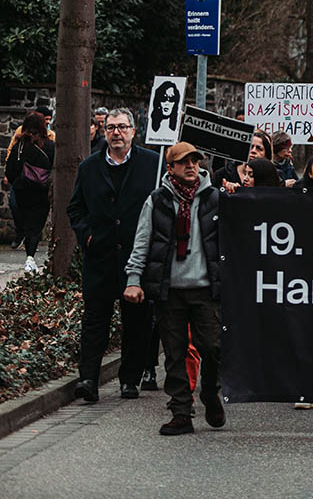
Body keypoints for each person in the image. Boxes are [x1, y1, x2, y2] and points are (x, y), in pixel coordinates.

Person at [121, 142, 224, 436]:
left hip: (206, 289)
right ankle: (181, 411)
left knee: (213, 347)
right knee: (175, 353)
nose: (191, 166)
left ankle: (210, 393)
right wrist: (133, 280)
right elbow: (142, 242)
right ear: (171, 168)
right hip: (170, 290)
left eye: (195, 161)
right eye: (184, 162)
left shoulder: (216, 199)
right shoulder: (157, 200)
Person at [68, 108, 158, 403]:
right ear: (103, 131)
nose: (116, 133)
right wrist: (87, 235)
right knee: (95, 319)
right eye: (110, 128)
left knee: (137, 322)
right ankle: (88, 379)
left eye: (122, 127)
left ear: (133, 131)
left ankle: (129, 380)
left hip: (136, 259)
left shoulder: (151, 165)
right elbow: (75, 208)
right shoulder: (89, 167)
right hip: (101, 258)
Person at [4, 111, 55, 270]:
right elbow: (54, 169)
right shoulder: (50, 146)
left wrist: (18, 183)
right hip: (41, 192)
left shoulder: (19, 146)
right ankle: (30, 257)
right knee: (36, 226)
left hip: (22, 192)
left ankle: (29, 256)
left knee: (27, 224)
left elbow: (9, 171)